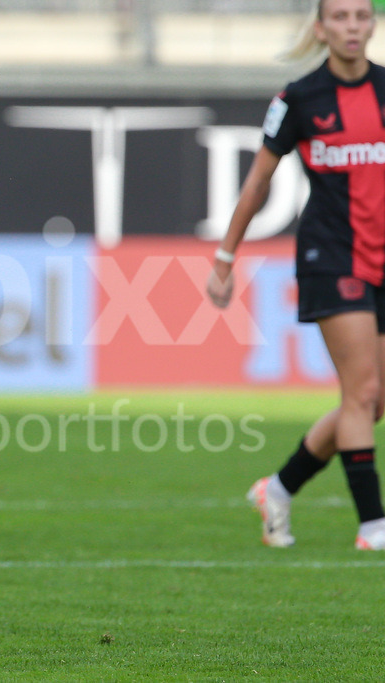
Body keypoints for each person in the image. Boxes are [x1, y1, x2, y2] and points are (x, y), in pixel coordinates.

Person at [207, 0, 385, 550]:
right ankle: (373, 526)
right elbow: (259, 182)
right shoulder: (299, 98)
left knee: (371, 402)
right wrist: (226, 256)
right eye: (341, 17)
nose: (352, 26)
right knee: (363, 392)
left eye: (361, 16)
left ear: (372, 24)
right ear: (321, 28)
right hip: (331, 257)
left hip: (381, 258)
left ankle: (279, 488)